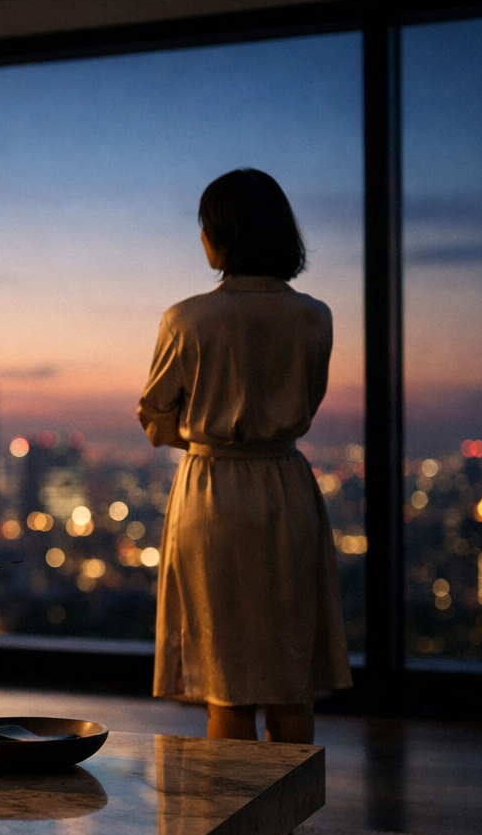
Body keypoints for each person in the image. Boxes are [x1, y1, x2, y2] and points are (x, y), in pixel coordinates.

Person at [137, 168, 351, 744]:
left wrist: (201, 433)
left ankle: (231, 826)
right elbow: (307, 397)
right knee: (289, 681)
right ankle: (291, 822)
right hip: (286, 489)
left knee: (225, 683)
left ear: (221, 234)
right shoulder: (315, 316)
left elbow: (155, 414)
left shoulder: (186, 319)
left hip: (212, 494)